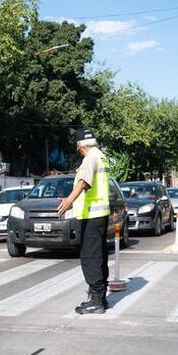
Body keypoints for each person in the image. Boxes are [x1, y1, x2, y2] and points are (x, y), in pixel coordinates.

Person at [56, 128, 110, 315]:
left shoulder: (90, 158)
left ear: (80, 146)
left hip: (91, 216)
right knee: (100, 255)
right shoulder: (101, 156)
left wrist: (69, 200)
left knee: (90, 257)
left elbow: (83, 181)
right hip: (100, 214)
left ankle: (96, 301)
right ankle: (101, 297)